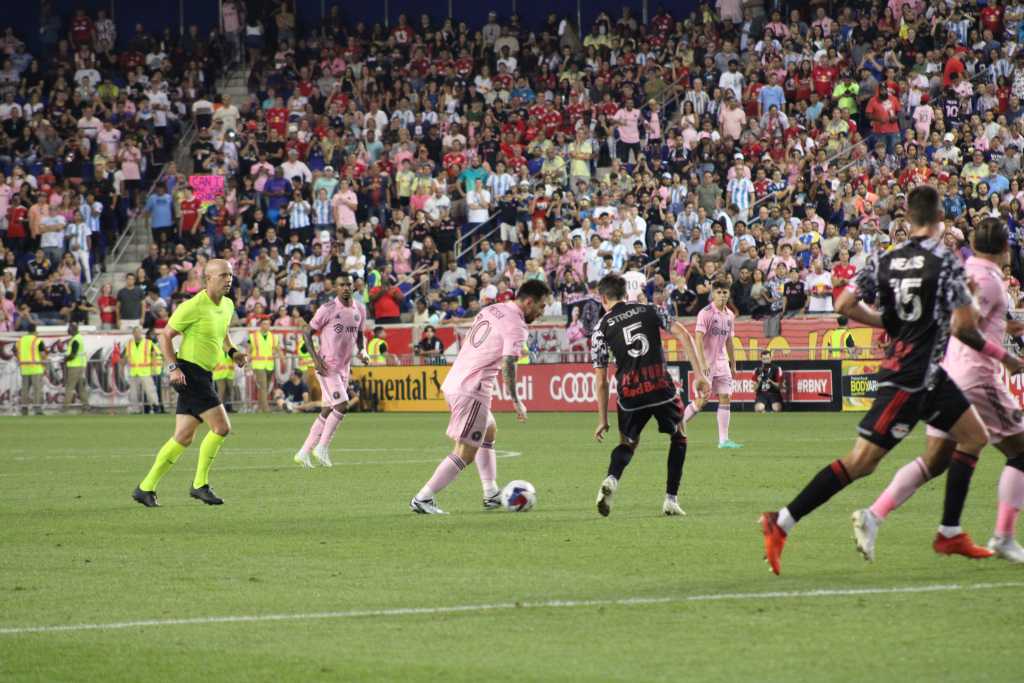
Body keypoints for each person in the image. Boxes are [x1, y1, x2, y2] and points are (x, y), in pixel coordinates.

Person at [759, 186, 1023, 575]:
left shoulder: (884, 258)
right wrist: (1007, 355)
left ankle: (949, 532)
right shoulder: (945, 262)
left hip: (932, 376)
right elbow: (965, 327)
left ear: (908, 218)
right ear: (940, 218)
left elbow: (844, 304)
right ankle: (781, 521)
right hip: (910, 379)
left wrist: (888, 321)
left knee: (973, 436)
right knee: (861, 462)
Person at [852, 218, 1024, 563]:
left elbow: (968, 319)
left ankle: (873, 514)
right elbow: (963, 327)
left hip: (947, 374)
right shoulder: (991, 281)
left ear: (972, 245)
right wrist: (1006, 357)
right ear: (1006, 249)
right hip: (978, 377)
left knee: (935, 460)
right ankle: (1002, 536)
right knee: (1021, 453)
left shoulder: (963, 271)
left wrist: (1007, 326)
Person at [409, 279, 552, 514]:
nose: (542, 312)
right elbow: (508, 363)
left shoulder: (494, 308)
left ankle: (491, 492)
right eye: (541, 306)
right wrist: (516, 401)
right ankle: (423, 498)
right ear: (528, 302)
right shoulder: (517, 326)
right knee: (465, 452)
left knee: (489, 429)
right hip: (472, 389)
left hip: (457, 379)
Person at [591, 273, 711, 517]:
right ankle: (670, 500)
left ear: (603, 298)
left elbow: (601, 381)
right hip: (659, 386)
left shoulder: (600, 329)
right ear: (626, 294)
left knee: (627, 444)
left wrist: (602, 419)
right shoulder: (650, 309)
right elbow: (683, 335)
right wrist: (699, 374)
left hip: (629, 393)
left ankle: (612, 478)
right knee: (679, 436)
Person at [133, 259, 248, 508]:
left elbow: (223, 335)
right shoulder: (193, 306)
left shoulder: (227, 305)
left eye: (230, 275)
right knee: (221, 428)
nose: (228, 279)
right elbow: (165, 336)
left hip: (204, 374)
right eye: (223, 275)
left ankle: (145, 488)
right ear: (208, 278)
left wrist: (233, 352)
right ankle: (200, 485)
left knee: (183, 437)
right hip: (190, 373)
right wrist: (173, 368)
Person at [294, 274, 370, 468]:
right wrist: (315, 359)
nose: (345, 288)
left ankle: (303, 452)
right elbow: (307, 333)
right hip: (328, 366)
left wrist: (362, 351)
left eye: (348, 284)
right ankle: (322, 447)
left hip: (344, 367)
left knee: (328, 409)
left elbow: (360, 334)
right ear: (335, 288)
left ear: (354, 286)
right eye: (341, 284)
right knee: (342, 405)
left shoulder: (360, 309)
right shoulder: (327, 309)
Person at [683, 278, 742, 448]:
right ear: (713, 294)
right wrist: (702, 364)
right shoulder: (706, 313)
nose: (722, 295)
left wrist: (733, 364)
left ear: (728, 294)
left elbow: (729, 341)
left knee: (725, 397)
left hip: (722, 361)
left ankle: (723, 440)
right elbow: (698, 339)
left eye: (725, 292)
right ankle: (677, 426)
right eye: (719, 292)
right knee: (703, 400)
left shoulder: (730, 315)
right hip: (706, 362)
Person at [121, 326, 160, 414]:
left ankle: (155, 406)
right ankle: (135, 409)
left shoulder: (148, 343)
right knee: (133, 392)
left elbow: (154, 354)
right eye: (136, 332)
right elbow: (126, 356)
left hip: (145, 371)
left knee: (150, 390)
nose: (137, 334)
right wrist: (122, 364)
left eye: (139, 332)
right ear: (133, 334)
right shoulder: (129, 344)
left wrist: (154, 367)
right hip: (133, 372)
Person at [248, 318, 283, 412]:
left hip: (269, 365)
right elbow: (249, 350)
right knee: (263, 386)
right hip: (258, 365)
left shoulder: (274, 337)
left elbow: (278, 348)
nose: (266, 326)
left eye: (268, 324)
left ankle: (260, 407)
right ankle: (265, 408)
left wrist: (282, 357)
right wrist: (247, 361)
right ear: (260, 325)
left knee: (266, 387)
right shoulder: (252, 336)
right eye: (264, 324)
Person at [17, 324, 47, 416]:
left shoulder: (20, 340)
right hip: (35, 368)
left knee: (25, 390)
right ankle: (37, 408)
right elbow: (42, 354)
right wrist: (44, 363)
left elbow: (17, 352)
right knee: (37, 389)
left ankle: (24, 409)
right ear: (35, 331)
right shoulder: (37, 340)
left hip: (24, 368)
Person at [63, 322, 89, 411]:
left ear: (73, 330)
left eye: (69, 328)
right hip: (80, 365)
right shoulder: (78, 338)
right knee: (80, 387)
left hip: (75, 366)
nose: (68, 330)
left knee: (70, 386)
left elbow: (73, 355)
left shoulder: (75, 340)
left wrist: (65, 359)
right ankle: (86, 405)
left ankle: (65, 407)